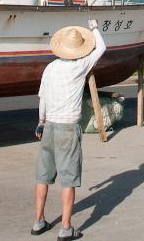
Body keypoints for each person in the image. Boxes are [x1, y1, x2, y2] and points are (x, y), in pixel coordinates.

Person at [34, 19, 105, 240]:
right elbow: (102, 48)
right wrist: (94, 27)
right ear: (78, 49)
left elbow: (43, 99)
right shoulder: (79, 66)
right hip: (68, 128)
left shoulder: (50, 67)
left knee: (43, 177)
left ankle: (38, 222)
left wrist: (41, 122)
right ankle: (66, 228)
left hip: (49, 127)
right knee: (69, 179)